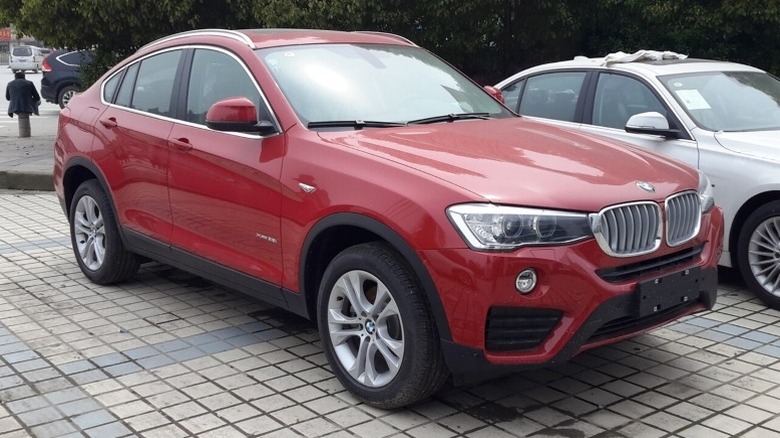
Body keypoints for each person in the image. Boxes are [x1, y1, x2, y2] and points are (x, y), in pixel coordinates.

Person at [6, 71, 41, 137]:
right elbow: (37, 97)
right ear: (24, 77)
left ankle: (23, 134)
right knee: (38, 102)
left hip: (14, 106)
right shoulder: (29, 83)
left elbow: (8, 98)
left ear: (15, 77)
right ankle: (35, 112)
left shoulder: (9, 84)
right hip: (27, 106)